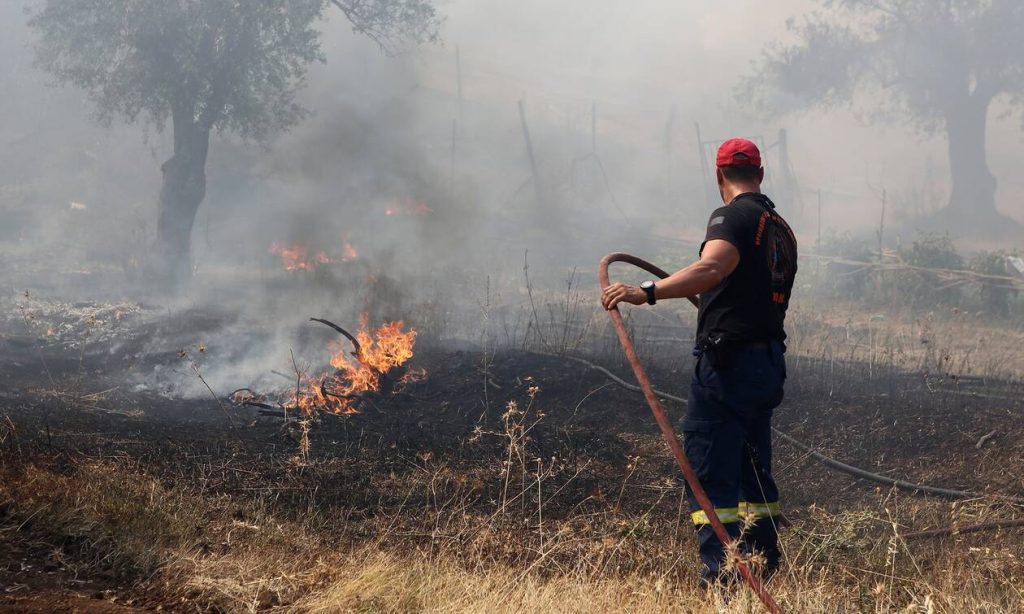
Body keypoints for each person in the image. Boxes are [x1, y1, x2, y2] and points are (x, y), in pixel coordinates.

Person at [601, 138, 798, 585]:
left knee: (710, 469)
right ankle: (761, 566)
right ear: (761, 174)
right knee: (752, 469)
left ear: (718, 175)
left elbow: (712, 268)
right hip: (766, 362)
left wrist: (646, 292)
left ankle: (722, 581)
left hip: (728, 365)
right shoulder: (781, 228)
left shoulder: (731, 217)